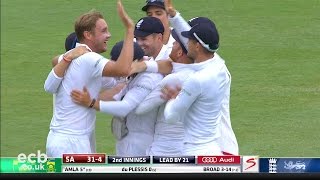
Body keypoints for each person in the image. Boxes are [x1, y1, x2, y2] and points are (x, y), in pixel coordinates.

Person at [43, 0, 135, 157]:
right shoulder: (88, 59)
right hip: (71, 143)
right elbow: (123, 69)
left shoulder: (77, 58)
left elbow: (116, 81)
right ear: (88, 35)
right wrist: (129, 29)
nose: (109, 35)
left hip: (63, 140)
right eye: (104, 31)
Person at [70, 40, 164, 156]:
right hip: (127, 139)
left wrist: (91, 103)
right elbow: (116, 96)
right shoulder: (135, 74)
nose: (117, 71)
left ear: (133, 61)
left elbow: (125, 107)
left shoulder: (149, 78)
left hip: (140, 144)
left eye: (119, 66)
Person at [160, 14, 230, 156]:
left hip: (195, 155)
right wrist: (174, 15)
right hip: (213, 150)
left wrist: (172, 99)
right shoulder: (220, 68)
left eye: (189, 41)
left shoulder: (196, 80)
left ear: (197, 46)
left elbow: (171, 117)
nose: (186, 44)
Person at [135, 28, 195, 156]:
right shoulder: (198, 75)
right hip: (188, 145)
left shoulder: (172, 80)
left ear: (180, 53)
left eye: (175, 43)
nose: (172, 45)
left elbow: (141, 108)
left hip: (165, 148)